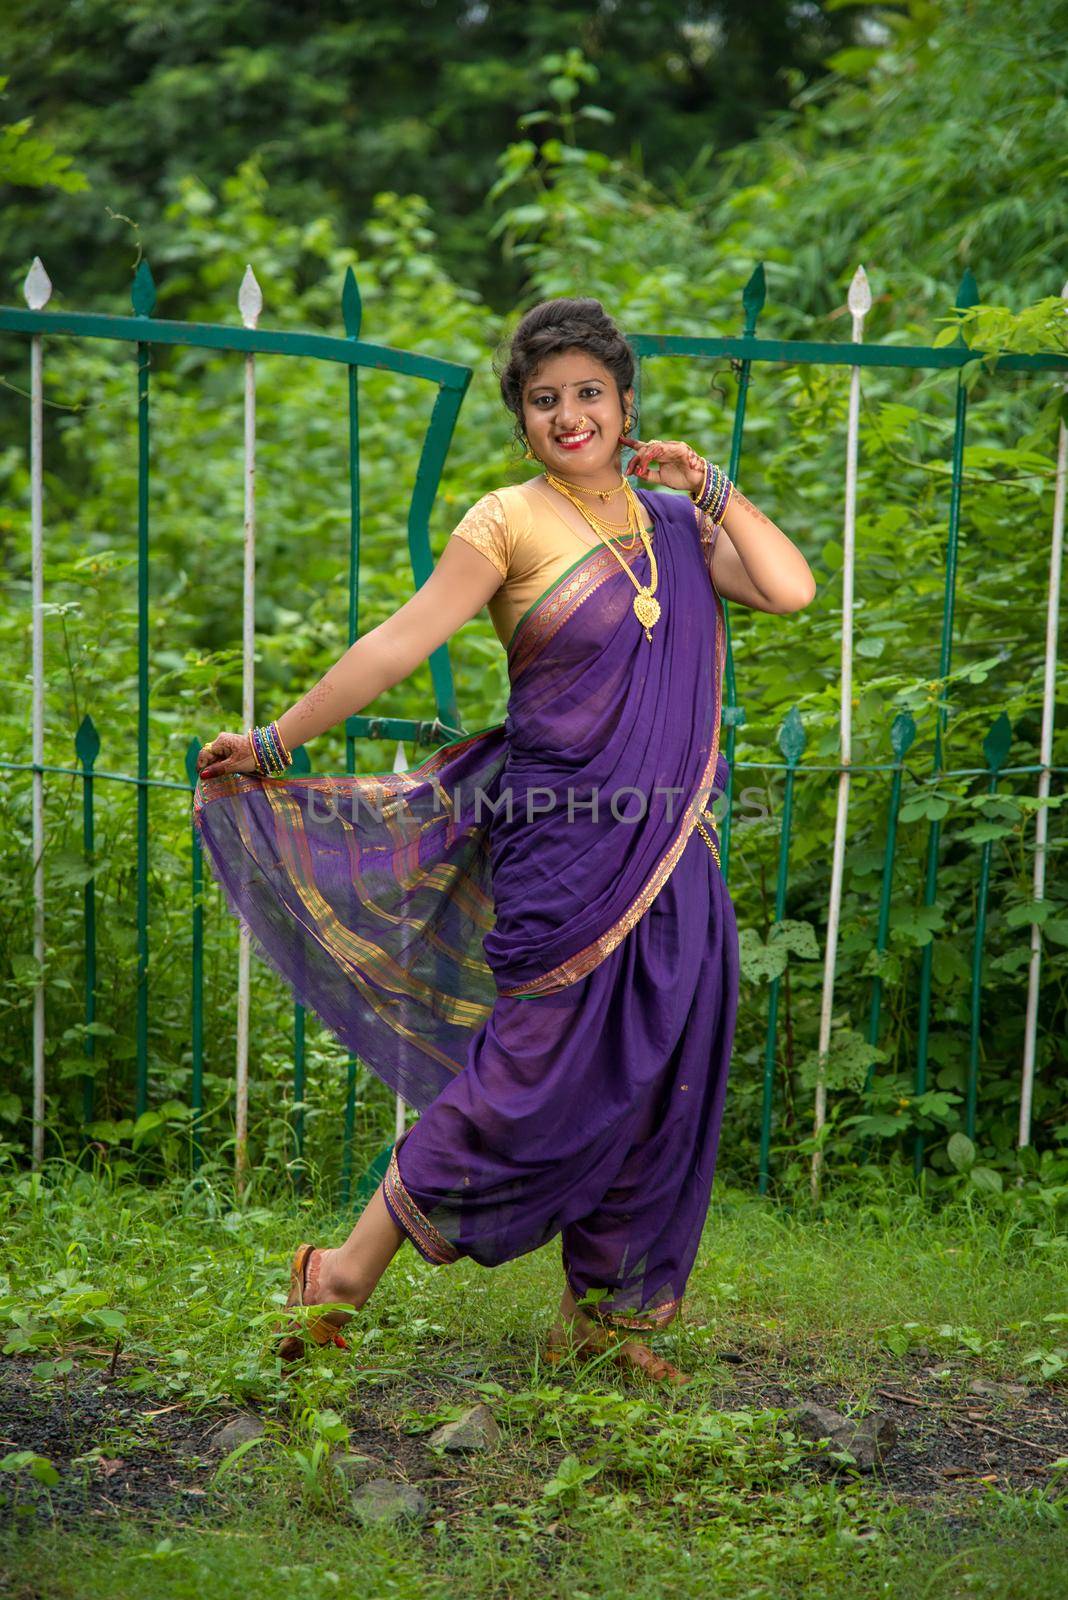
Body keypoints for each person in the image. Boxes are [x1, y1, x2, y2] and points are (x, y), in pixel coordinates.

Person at [193, 297, 815, 1385]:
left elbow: (790, 589)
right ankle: (341, 1269)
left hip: (672, 853)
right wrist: (275, 739)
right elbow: (400, 640)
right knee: (528, 1077)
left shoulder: (674, 527)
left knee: (661, 1069)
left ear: (627, 406)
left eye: (589, 394)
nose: (569, 415)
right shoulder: (506, 522)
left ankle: (605, 1319)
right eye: (545, 400)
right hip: (562, 849)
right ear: (522, 419)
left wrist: (709, 485)